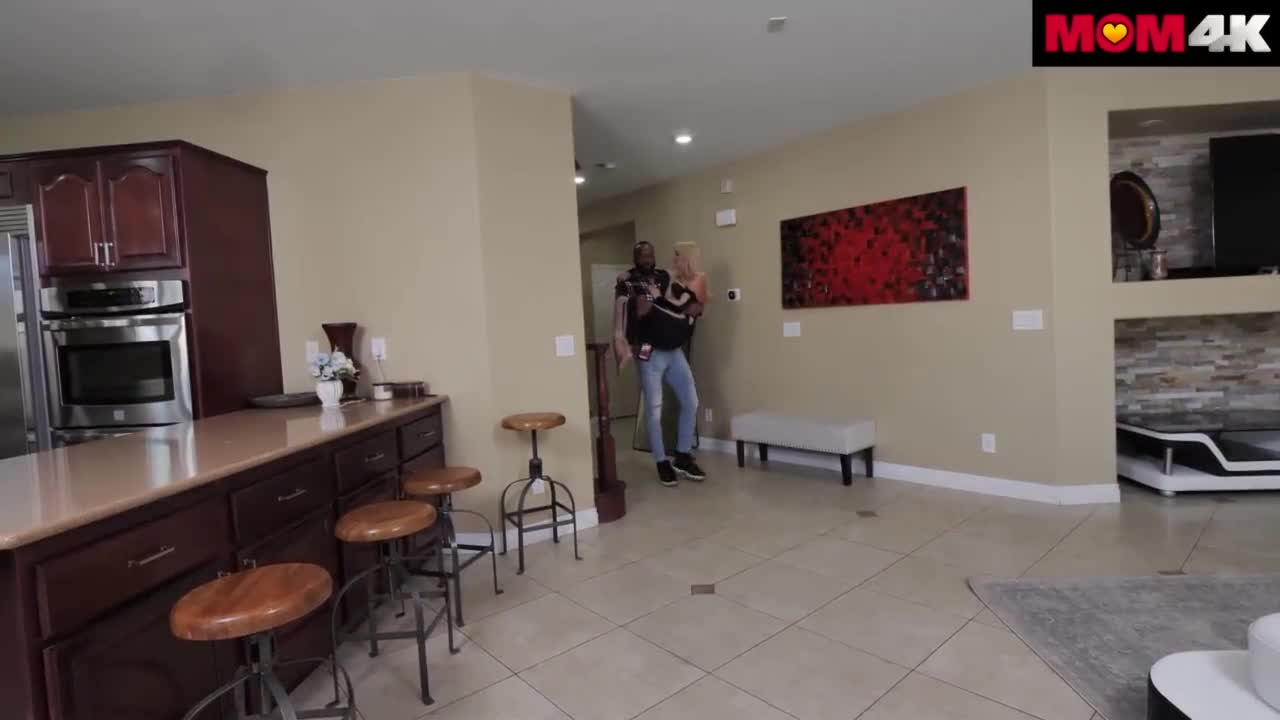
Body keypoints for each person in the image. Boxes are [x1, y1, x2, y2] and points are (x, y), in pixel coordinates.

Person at [613, 241, 706, 486]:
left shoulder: (663, 277)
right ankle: (661, 461)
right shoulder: (627, 283)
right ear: (635, 257)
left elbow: (680, 275)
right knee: (654, 410)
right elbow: (620, 312)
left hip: (673, 351)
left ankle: (682, 456)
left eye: (651, 255)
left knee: (691, 401)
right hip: (650, 352)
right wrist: (620, 340)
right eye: (643, 256)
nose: (648, 259)